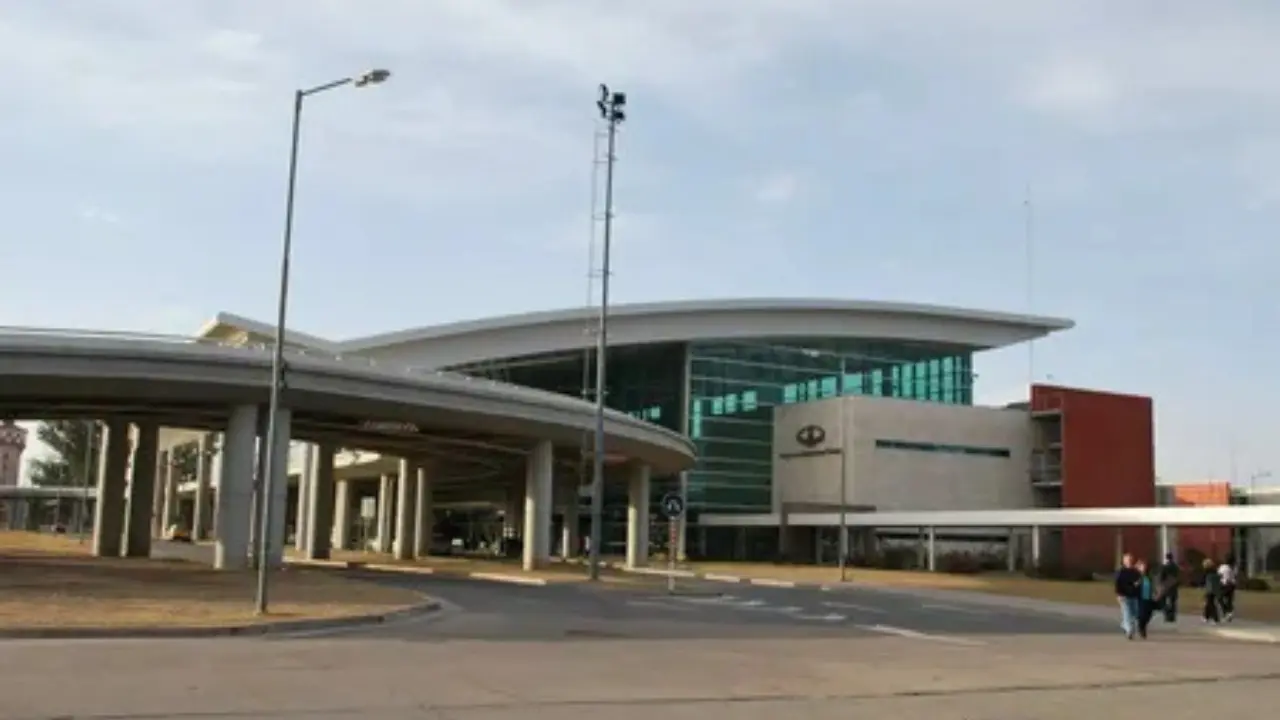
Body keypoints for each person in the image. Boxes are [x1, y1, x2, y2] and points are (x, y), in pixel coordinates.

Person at [1113, 553, 1142, 639]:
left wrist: (1137, 586)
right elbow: (1117, 584)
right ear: (1124, 562)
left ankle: (1125, 624)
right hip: (1124, 596)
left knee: (1135, 614)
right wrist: (1119, 595)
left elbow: (1139, 584)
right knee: (1127, 613)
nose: (1129, 562)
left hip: (1134, 596)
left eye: (1131, 560)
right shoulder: (1121, 572)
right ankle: (1129, 631)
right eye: (1128, 560)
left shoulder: (1136, 572)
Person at [1135, 559, 1156, 638]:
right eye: (1142, 567)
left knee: (1149, 614)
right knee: (1142, 614)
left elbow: (1153, 586)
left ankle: (1143, 626)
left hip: (1149, 598)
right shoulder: (1136, 576)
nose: (1144, 568)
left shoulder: (1149, 576)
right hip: (1140, 598)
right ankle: (1141, 628)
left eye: (1144, 567)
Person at [1158, 553, 1181, 622]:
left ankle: (1167, 615)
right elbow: (1178, 577)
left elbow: (1162, 577)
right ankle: (1172, 616)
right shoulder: (1176, 567)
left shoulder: (1165, 567)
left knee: (1164, 601)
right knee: (1173, 602)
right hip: (1174, 586)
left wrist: (1161, 584)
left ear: (1166, 558)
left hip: (1166, 586)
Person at [1201, 557, 1222, 624]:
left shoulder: (1206, 572)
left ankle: (1215, 618)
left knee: (1210, 603)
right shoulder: (1215, 570)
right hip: (1214, 589)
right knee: (1209, 603)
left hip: (1209, 588)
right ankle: (1206, 617)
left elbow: (1203, 580)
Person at [1218, 555, 1238, 622]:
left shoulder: (1223, 567)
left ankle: (1226, 612)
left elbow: (1219, 575)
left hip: (1225, 584)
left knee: (1220, 598)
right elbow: (1235, 576)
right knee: (1229, 600)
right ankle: (1229, 613)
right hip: (1232, 585)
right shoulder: (1234, 567)